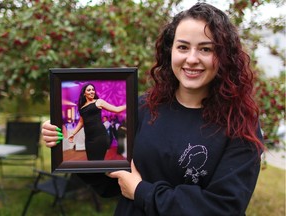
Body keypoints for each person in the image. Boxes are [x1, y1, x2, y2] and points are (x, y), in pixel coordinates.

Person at [41, 3, 264, 215]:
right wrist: (62, 146)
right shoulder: (145, 106)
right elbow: (110, 184)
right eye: (183, 47)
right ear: (170, 51)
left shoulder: (241, 124)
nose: (192, 59)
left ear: (224, 57)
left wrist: (142, 192)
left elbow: (223, 208)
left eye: (206, 49)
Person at [66, 83, 126, 160]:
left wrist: (130, 104)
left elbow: (117, 109)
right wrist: (73, 134)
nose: (92, 91)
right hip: (88, 138)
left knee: (98, 161)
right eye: (89, 90)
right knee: (91, 161)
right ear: (84, 93)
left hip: (99, 136)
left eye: (93, 89)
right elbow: (81, 122)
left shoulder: (99, 102)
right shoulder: (81, 107)